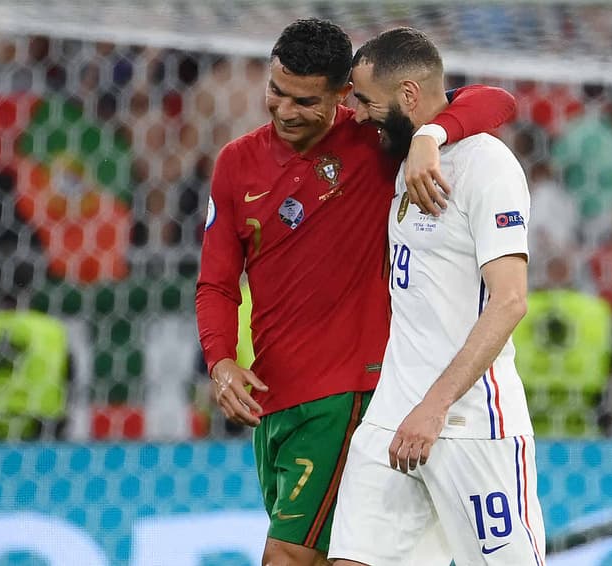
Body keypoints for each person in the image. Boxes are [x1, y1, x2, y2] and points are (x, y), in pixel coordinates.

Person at [195, 18, 517, 566]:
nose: (286, 110)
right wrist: (221, 360)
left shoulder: (373, 140)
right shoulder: (235, 163)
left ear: (342, 94)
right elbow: (216, 282)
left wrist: (429, 136)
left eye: (306, 100)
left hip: (347, 394)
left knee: (287, 557)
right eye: (278, 91)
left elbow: (497, 102)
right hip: (274, 400)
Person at [329, 27, 545, 565]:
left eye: (366, 101)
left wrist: (436, 406)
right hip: (393, 417)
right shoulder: (403, 156)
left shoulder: (486, 166)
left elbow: (510, 301)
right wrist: (427, 137)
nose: (357, 114)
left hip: (472, 425)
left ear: (406, 96)